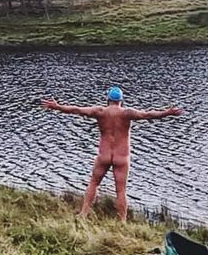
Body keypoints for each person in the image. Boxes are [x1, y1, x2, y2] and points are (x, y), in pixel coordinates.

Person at [41, 86, 183, 221]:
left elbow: (77, 109)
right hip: (121, 157)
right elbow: (148, 114)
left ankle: (83, 213)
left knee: (93, 183)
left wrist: (57, 106)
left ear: (108, 99)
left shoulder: (100, 112)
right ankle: (122, 221)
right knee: (120, 191)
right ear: (121, 100)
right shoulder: (127, 113)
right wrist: (167, 112)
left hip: (104, 154)